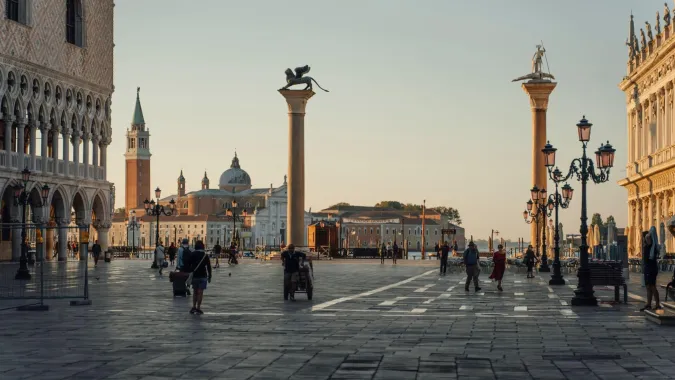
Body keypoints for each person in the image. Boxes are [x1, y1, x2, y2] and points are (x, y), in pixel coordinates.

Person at [641, 227, 662, 311]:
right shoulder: (649, 246)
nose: (646, 239)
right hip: (648, 268)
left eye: (647, 237)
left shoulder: (652, 247)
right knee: (648, 286)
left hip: (651, 268)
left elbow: (649, 258)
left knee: (652, 286)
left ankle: (657, 303)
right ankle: (648, 303)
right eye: (645, 238)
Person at [188, 240, 212, 315]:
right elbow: (208, 266)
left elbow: (189, 264)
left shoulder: (192, 254)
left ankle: (194, 306)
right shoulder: (205, 255)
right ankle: (198, 307)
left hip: (195, 276)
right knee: (200, 292)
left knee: (195, 291)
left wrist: (190, 271)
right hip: (203, 275)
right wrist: (210, 275)